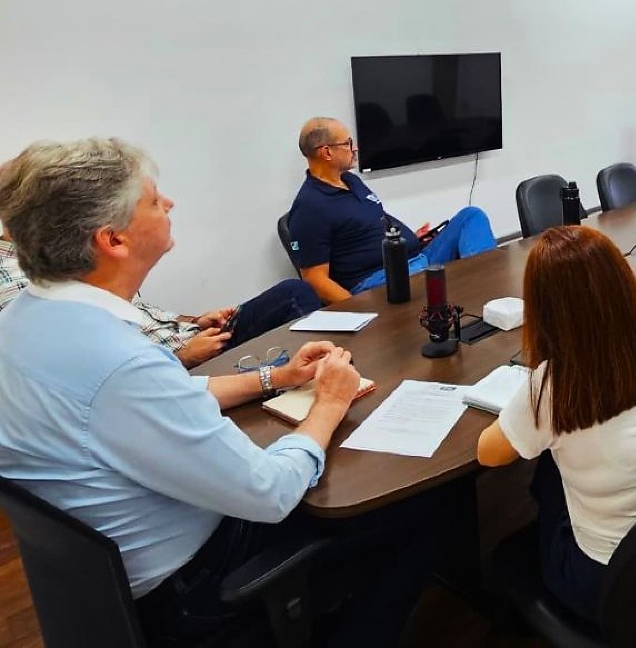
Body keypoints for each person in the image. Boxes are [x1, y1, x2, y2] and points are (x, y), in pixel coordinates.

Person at [0, 138, 441, 646]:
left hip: (104, 582)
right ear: (112, 240)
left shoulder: (26, 320)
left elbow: (153, 400)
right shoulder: (119, 360)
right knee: (429, 502)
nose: (169, 205)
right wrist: (330, 403)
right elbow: (270, 492)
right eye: (151, 200)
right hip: (192, 591)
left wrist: (275, 378)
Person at [476, 226, 636, 623]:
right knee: (559, 464)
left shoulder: (553, 387)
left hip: (612, 585)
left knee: (545, 479)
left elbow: (488, 454)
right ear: (625, 285)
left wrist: (524, 405)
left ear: (542, 312)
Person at [0, 230, 320, 368]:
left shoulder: (60, 261)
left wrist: (194, 320)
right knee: (295, 297)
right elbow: (100, 356)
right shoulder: (14, 277)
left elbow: (137, 313)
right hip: (176, 363)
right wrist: (181, 357)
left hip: (188, 337)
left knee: (292, 292)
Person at [287, 117, 497, 304]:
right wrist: (360, 312)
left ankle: (487, 288)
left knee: (471, 216)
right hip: (380, 280)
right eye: (348, 143)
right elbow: (315, 279)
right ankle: (483, 293)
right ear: (327, 152)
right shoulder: (310, 207)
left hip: (414, 258)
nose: (355, 148)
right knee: (453, 282)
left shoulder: (351, 181)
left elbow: (372, 221)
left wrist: (410, 239)